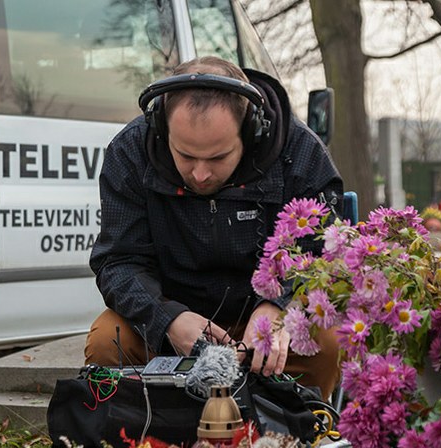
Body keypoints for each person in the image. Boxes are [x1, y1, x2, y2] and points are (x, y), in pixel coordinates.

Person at [85, 56, 344, 400]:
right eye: (185, 156)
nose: (201, 174)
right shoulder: (129, 153)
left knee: (327, 342)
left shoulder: (301, 153)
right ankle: (145, 429)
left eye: (218, 157)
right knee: (107, 340)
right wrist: (168, 320)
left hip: (266, 319)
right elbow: (118, 262)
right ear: (162, 129)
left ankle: (300, 426)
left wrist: (279, 306)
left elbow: (321, 253)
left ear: (250, 130)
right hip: (172, 316)